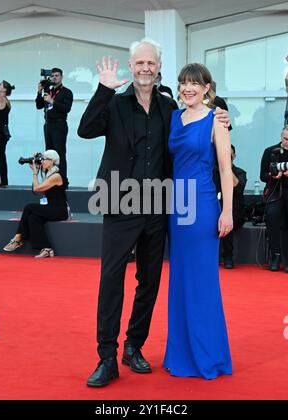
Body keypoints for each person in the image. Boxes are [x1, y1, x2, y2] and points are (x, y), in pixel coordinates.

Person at [78, 38, 230, 387]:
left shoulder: (168, 108)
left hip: (160, 206)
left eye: (151, 63)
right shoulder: (114, 104)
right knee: (111, 278)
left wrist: (220, 113)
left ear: (158, 67)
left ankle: (134, 345)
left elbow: (200, 121)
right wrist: (102, 90)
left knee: (149, 281)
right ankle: (106, 357)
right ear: (131, 67)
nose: (145, 68)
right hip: (120, 201)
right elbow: (85, 130)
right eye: (139, 63)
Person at [164, 63, 233, 379]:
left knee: (202, 282)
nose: (187, 88)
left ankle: (207, 355)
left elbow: (225, 171)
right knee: (179, 281)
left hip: (202, 204)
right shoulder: (175, 117)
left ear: (207, 87)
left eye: (194, 83)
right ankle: (180, 353)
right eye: (183, 83)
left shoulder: (215, 120)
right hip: (176, 206)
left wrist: (227, 211)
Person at [3, 150, 68, 258]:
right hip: (51, 208)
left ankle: (18, 238)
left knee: (29, 207)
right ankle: (46, 248)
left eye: (45, 159)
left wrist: (34, 173)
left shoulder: (56, 176)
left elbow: (37, 188)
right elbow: (40, 190)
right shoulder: (49, 174)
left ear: (52, 161)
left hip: (60, 210)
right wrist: (37, 171)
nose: (42, 161)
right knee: (33, 218)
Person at [260, 125, 288, 273]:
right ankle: (275, 255)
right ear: (281, 137)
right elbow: (262, 176)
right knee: (272, 216)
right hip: (275, 193)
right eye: (286, 139)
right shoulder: (270, 151)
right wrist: (273, 175)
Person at [36, 68, 73, 188]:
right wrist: (39, 92)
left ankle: (63, 181)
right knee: (49, 153)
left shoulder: (66, 92)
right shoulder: (49, 91)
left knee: (60, 153)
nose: (54, 77)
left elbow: (66, 108)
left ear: (61, 77)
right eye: (52, 76)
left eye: (57, 75)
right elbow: (39, 105)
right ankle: (50, 180)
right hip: (48, 124)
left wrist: (52, 101)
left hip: (59, 124)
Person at [215, 145, 247, 268]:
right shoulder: (212, 171)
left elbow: (238, 188)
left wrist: (226, 167)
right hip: (216, 208)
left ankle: (228, 256)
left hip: (234, 212)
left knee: (227, 220)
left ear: (234, 156)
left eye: (229, 155)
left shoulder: (240, 172)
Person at [0, 79, 15, 187]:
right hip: (2, 133)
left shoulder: (0, 99)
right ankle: (2, 181)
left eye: (0, 84)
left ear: (4, 90)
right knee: (0, 156)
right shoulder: (6, 100)